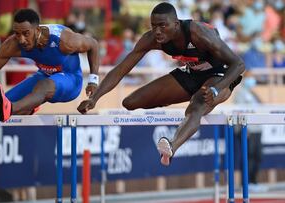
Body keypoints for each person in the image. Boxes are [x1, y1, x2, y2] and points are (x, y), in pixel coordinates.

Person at [77, 2, 244, 166]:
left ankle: (171, 146)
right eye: (153, 26)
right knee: (130, 102)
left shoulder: (198, 32)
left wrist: (217, 89)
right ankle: (189, 97)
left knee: (198, 105)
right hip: (192, 74)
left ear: (176, 24)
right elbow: (121, 69)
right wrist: (95, 99)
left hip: (220, 75)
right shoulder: (152, 39)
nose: (157, 31)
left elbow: (238, 64)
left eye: (162, 25)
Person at [0, 8, 100, 122]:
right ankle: (26, 106)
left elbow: (93, 45)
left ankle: (16, 107)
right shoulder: (12, 45)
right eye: (17, 33)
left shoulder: (64, 41)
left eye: (26, 33)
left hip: (71, 81)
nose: (21, 39)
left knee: (43, 86)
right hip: (44, 76)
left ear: (37, 30)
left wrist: (93, 80)